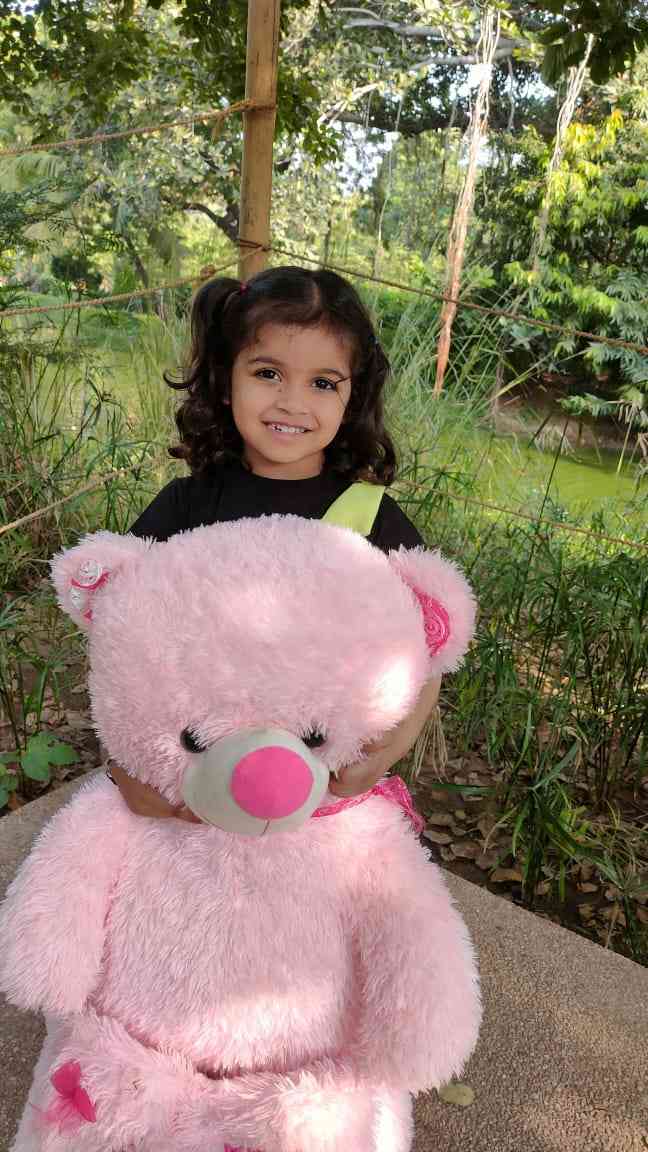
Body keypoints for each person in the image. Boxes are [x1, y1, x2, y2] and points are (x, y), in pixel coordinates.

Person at [109, 264, 441, 821]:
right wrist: (126, 768)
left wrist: (388, 750)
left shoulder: (371, 520)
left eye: (322, 383)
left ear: (353, 397)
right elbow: (117, 643)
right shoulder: (188, 507)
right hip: (195, 784)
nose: (292, 402)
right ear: (225, 380)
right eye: (268, 373)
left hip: (316, 799)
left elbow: (429, 653)